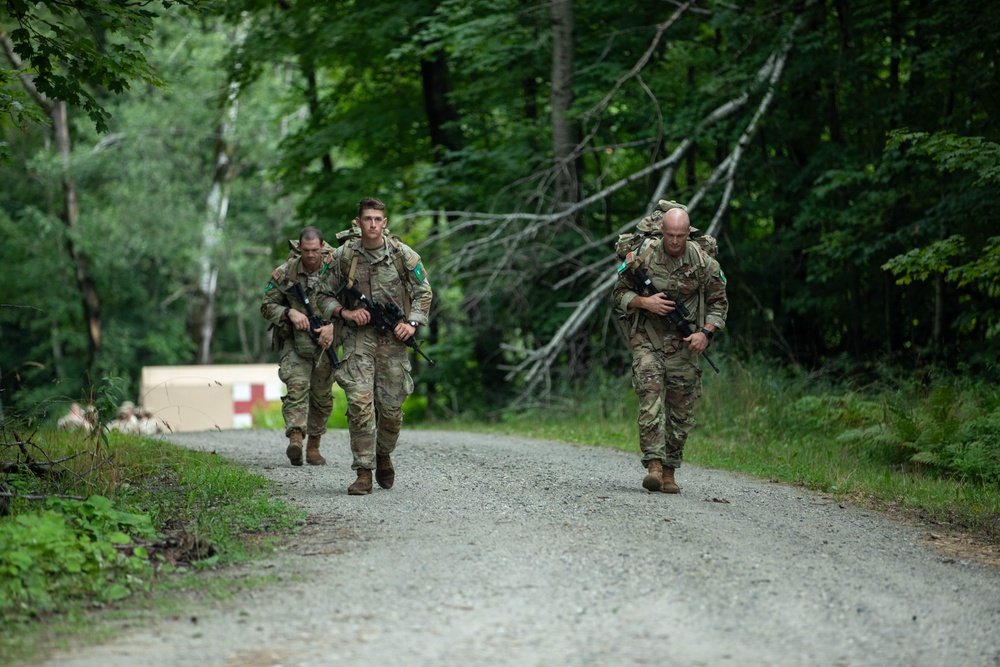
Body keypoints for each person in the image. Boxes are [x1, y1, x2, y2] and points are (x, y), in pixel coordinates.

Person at [613, 205, 728, 494]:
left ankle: (669, 471)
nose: (674, 241)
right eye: (670, 235)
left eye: (680, 235)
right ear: (662, 232)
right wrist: (644, 303)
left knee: (680, 412)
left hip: (684, 344)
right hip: (647, 338)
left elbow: (719, 304)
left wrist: (705, 333)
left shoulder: (704, 263)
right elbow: (619, 293)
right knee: (650, 396)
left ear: (688, 233)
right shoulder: (644, 256)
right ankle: (653, 464)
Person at [325, 197, 432, 495]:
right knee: (359, 404)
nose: (372, 224)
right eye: (367, 219)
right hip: (358, 338)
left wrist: (411, 323)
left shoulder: (403, 255)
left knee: (391, 408)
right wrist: (345, 312)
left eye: (377, 219)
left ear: (384, 223)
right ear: (358, 223)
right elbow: (321, 295)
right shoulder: (344, 256)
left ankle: (383, 454)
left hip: (394, 340)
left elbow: (423, 290)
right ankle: (363, 471)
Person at [261, 226, 338, 467]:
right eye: (306, 250)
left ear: (322, 247)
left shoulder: (336, 271)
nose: (311, 255)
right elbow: (266, 305)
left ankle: (314, 446)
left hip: (326, 344)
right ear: (299, 248)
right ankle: (296, 438)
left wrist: (333, 327)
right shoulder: (285, 273)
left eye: (315, 250)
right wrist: (289, 312)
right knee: (296, 387)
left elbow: (350, 304)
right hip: (295, 343)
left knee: (322, 397)